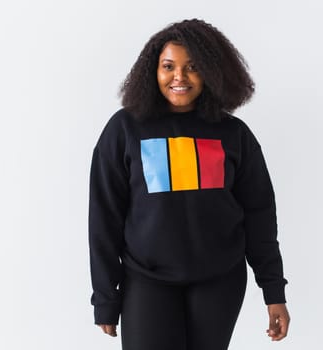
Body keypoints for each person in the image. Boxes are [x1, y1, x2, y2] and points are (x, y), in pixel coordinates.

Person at [88, 18, 290, 350]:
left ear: (211, 73)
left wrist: (273, 291)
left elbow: (260, 215)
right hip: (146, 280)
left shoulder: (233, 134)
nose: (179, 76)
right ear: (152, 71)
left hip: (219, 281)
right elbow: (104, 218)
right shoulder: (124, 129)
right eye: (168, 66)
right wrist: (106, 298)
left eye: (193, 67)